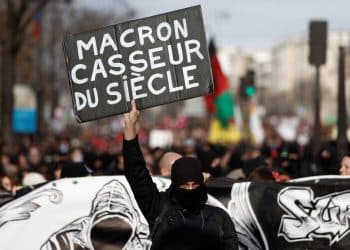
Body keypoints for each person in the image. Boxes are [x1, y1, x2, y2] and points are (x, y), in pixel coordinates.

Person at [123, 101, 238, 250]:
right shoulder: (159, 208)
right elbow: (136, 173)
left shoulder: (219, 218)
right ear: (175, 184)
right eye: (184, 185)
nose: (190, 190)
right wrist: (130, 127)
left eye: (194, 185)